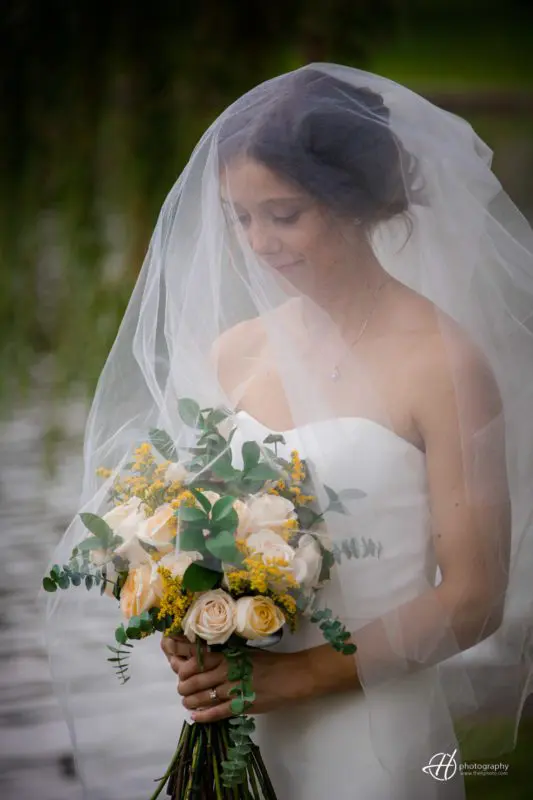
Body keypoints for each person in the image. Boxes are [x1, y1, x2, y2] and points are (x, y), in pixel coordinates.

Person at [46, 65, 533, 800]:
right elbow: (185, 523)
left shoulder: (443, 364)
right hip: (237, 723)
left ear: (355, 204)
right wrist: (184, 615)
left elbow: (472, 598)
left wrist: (295, 677)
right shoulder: (237, 351)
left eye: (283, 214)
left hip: (369, 729)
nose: (258, 242)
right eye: (240, 217)